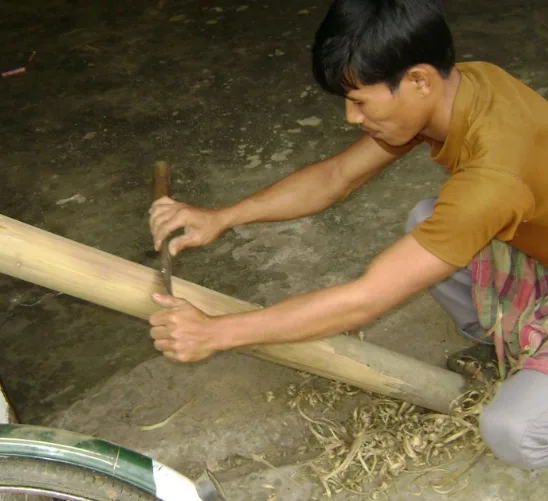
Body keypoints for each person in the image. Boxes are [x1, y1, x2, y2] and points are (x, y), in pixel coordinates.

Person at [148, 0, 548, 470]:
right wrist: (222, 217)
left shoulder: (494, 174)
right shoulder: (462, 86)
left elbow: (366, 299)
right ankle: (506, 347)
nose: (351, 117)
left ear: (419, 80)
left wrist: (217, 332)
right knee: (427, 220)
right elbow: (337, 176)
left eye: (359, 101)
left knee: (513, 431)